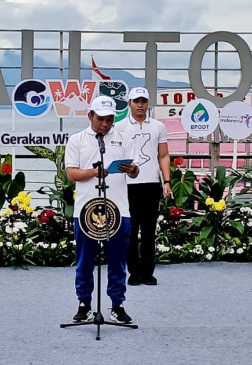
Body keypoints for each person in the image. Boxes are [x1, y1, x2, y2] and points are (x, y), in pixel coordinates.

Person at [65, 95, 139, 324]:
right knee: (85, 259)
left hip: (118, 209)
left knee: (117, 260)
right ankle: (84, 304)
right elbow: (71, 173)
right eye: (101, 119)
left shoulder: (124, 139)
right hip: (86, 209)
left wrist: (132, 170)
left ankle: (117, 305)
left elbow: (135, 172)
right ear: (90, 116)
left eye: (110, 119)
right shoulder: (77, 140)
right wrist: (93, 173)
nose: (105, 124)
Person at [115, 86, 172, 286]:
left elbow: (163, 155)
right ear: (129, 103)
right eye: (136, 101)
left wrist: (167, 181)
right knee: (130, 231)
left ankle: (148, 272)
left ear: (148, 104)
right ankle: (133, 272)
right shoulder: (119, 127)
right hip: (127, 185)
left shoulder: (158, 126)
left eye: (144, 101)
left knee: (149, 230)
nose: (140, 105)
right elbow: (117, 156)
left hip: (151, 184)